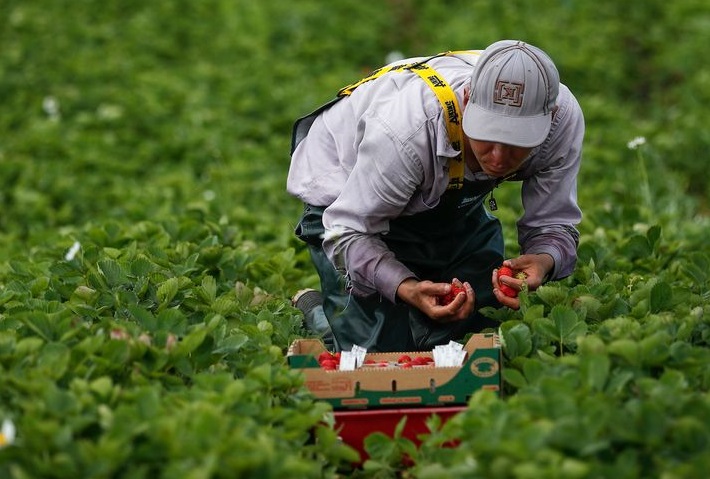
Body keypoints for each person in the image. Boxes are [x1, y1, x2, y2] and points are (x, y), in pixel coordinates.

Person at [287, 40, 584, 352]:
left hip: (437, 196)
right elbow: (346, 231)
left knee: (478, 326)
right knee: (375, 354)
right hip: (346, 201)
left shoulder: (562, 119)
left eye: (516, 142)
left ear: (549, 117)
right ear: (467, 100)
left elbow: (554, 223)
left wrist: (543, 260)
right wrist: (406, 287)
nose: (497, 158)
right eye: (488, 135)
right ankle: (319, 312)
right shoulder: (408, 131)